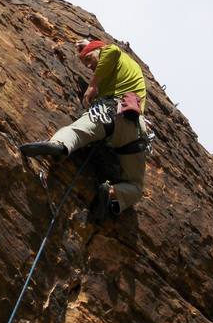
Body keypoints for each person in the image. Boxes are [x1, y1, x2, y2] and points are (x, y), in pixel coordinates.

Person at [19, 39, 149, 220]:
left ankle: (59, 146)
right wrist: (90, 51)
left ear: (99, 49)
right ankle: (112, 193)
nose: (89, 66)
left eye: (89, 59)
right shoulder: (122, 73)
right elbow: (104, 57)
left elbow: (111, 53)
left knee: (76, 132)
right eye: (86, 64)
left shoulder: (110, 51)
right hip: (134, 131)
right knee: (135, 186)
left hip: (109, 111)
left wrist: (93, 86)